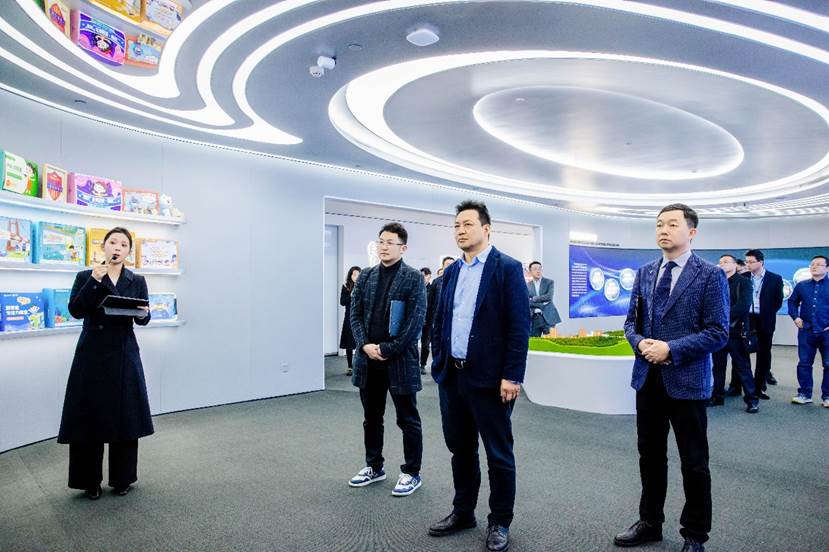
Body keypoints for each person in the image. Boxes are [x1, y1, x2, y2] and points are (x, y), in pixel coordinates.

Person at [614, 204, 728, 552]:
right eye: (659, 224)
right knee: (650, 457)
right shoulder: (645, 272)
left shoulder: (710, 275)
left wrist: (671, 349)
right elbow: (630, 323)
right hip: (648, 380)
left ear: (691, 232)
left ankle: (694, 534)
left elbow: (718, 332)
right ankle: (650, 522)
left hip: (687, 383)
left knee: (694, 463)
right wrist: (639, 342)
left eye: (672, 224)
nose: (663, 229)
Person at [428, 200, 529, 552]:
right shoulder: (451, 272)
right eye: (456, 225)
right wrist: (438, 361)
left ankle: (500, 521)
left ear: (486, 229)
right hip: (452, 377)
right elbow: (441, 320)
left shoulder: (507, 268)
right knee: (460, 449)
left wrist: (512, 375)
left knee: (498, 454)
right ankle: (463, 512)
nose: (460, 230)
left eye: (468, 224)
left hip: (491, 380)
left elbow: (519, 327)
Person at [57, 227, 153, 499]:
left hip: (124, 353)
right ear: (104, 246)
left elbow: (143, 318)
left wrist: (144, 314)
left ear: (129, 251)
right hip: (92, 354)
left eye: (123, 244)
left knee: (126, 415)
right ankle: (89, 481)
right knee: (88, 416)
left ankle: (123, 478)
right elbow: (76, 310)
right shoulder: (86, 276)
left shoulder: (136, 279)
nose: (117, 247)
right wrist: (94, 281)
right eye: (113, 242)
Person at [348, 222, 427, 497]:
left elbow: (415, 321)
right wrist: (365, 345)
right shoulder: (366, 276)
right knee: (371, 418)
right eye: (380, 241)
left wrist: (387, 348)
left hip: (399, 361)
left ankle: (412, 472)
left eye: (390, 242)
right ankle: (374, 466)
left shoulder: (413, 278)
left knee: (408, 419)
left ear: (403, 248)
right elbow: (355, 315)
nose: (383, 246)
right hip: (369, 360)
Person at [709, 255, 758, 413]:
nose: (722, 264)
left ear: (736, 265)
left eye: (726, 261)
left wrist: (721, 317)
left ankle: (752, 400)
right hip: (717, 332)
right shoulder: (715, 282)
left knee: (743, 367)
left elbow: (743, 305)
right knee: (718, 367)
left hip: (736, 332)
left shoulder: (744, 282)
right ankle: (717, 396)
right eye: (720, 262)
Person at [787, 255, 829, 407]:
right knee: (804, 363)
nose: (814, 267)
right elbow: (792, 302)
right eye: (812, 264)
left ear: (827, 268)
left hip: (826, 331)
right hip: (806, 330)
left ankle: (827, 396)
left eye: (818, 264)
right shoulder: (802, 285)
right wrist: (795, 317)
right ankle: (804, 394)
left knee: (828, 364)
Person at [527, 261, 561, 337]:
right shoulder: (527, 285)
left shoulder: (549, 282)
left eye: (540, 269)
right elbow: (527, 301)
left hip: (549, 316)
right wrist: (542, 304)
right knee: (534, 341)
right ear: (530, 271)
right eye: (535, 269)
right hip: (534, 317)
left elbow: (549, 297)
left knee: (551, 340)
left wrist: (534, 299)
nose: (538, 271)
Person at [340, 266, 361, 376]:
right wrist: (351, 295)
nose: (356, 277)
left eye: (358, 275)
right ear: (350, 275)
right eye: (354, 275)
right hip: (349, 316)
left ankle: (358, 365)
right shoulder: (346, 286)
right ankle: (350, 366)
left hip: (360, 317)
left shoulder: (363, 286)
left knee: (360, 342)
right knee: (349, 342)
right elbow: (342, 302)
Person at [420, 267, 437, 375]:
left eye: (425, 276)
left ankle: (423, 365)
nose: (423, 278)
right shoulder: (417, 288)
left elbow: (433, 305)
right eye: (421, 276)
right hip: (417, 321)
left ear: (429, 276)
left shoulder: (432, 288)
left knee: (426, 344)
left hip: (429, 321)